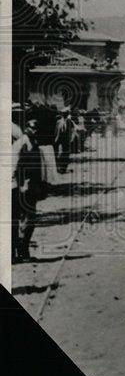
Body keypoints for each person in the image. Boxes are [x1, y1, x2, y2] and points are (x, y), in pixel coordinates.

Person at [12, 108, 46, 263]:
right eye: (33, 127)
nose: (36, 130)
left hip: (31, 187)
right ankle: (15, 252)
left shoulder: (34, 143)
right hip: (18, 187)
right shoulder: (21, 144)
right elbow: (14, 166)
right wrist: (19, 185)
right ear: (26, 128)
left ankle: (23, 250)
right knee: (15, 220)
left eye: (37, 128)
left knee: (30, 219)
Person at [54, 107, 73, 173]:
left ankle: (64, 168)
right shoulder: (59, 121)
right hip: (60, 138)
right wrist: (56, 138)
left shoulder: (69, 121)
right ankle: (58, 167)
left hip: (66, 139)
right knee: (59, 153)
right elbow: (56, 131)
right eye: (64, 113)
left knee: (66, 153)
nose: (65, 114)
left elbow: (72, 130)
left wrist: (71, 138)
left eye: (66, 113)